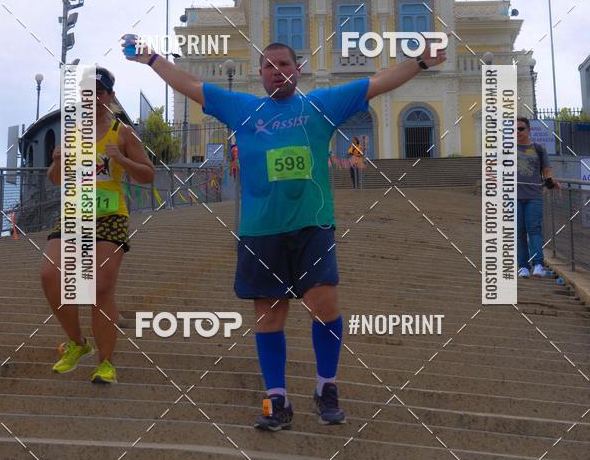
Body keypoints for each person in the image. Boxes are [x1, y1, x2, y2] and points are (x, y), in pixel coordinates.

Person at [124, 36, 447, 429]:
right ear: (258, 75)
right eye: (268, 66)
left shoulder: (319, 105)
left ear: (298, 70)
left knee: (324, 305)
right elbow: (190, 85)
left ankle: (326, 388)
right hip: (261, 231)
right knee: (269, 315)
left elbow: (378, 82)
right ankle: (277, 399)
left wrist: (421, 64)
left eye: (284, 64)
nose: (277, 71)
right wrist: (153, 59)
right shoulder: (242, 107)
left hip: (312, 225)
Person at [41, 67, 155, 383]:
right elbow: (55, 180)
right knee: (51, 275)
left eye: (99, 92)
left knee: (98, 287)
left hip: (109, 215)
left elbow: (148, 174)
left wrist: (120, 158)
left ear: (110, 96)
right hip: (74, 212)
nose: (92, 99)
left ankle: (106, 363)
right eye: (86, 93)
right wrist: (57, 161)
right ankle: (78, 344)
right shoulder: (73, 133)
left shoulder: (123, 133)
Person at [516, 116, 561, 278]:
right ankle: (523, 266)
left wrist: (550, 183)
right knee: (519, 232)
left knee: (534, 229)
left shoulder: (538, 149)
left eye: (521, 129)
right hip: (513, 198)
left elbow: (546, 170)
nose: (517, 132)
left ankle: (538, 265)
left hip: (534, 196)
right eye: (514, 129)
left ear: (529, 130)